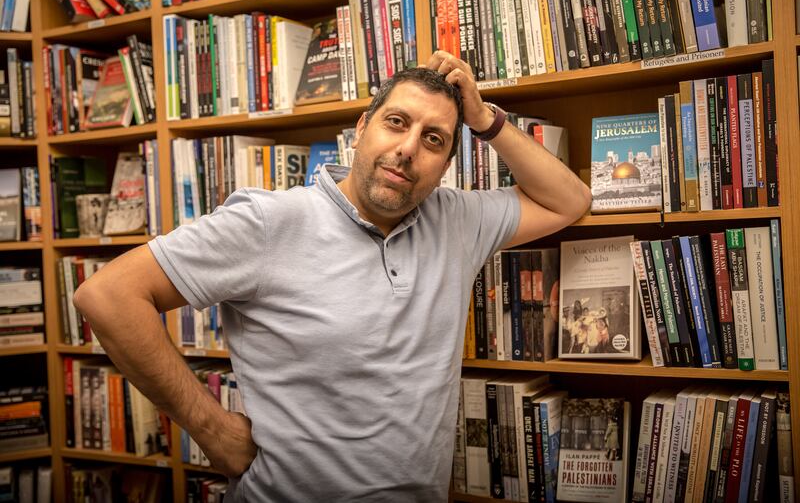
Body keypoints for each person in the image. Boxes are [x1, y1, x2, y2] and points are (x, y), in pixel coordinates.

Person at [73, 51, 591, 502]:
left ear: (445, 165)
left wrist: (485, 119)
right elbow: (109, 295)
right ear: (362, 128)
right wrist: (213, 431)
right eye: (396, 122)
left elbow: (570, 201)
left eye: (433, 139)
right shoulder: (271, 221)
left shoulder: (456, 219)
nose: (409, 148)